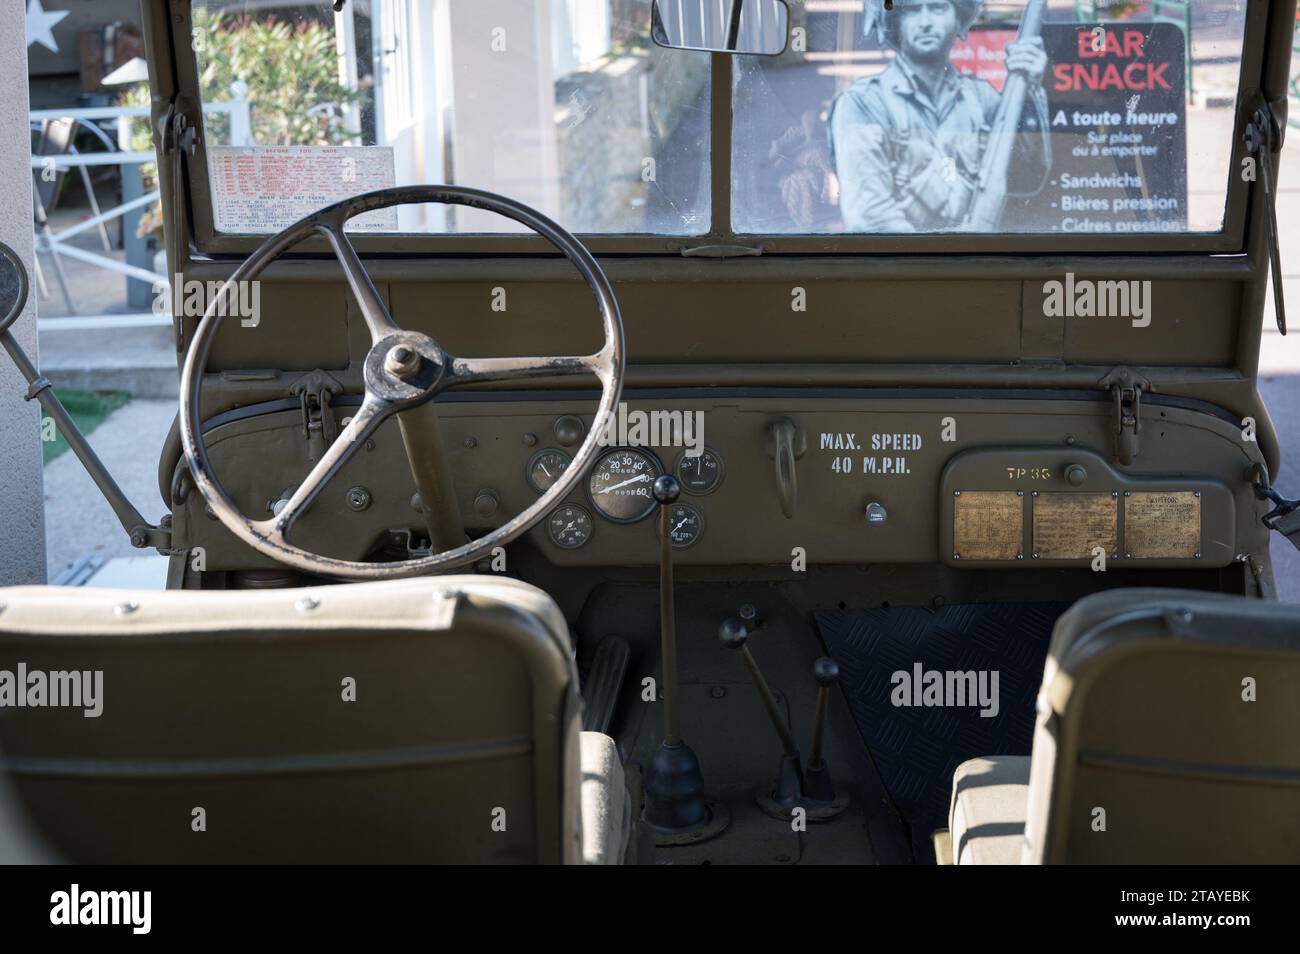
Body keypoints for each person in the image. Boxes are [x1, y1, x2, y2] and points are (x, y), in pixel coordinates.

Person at [828, 0, 1051, 232]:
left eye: (937, 8)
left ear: (958, 17)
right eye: (912, 10)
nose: (925, 23)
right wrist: (953, 252)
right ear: (894, 22)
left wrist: (1029, 90)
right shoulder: (864, 103)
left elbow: (1028, 177)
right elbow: (871, 218)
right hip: (905, 264)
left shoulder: (981, 98)